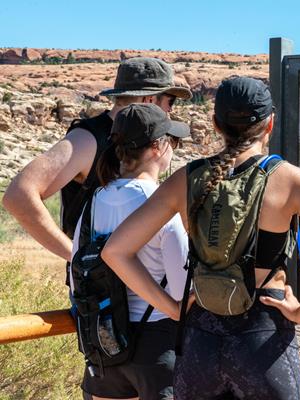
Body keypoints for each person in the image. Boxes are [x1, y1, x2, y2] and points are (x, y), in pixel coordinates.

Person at [101, 77, 300, 399]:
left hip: (200, 341)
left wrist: (172, 308)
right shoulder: (290, 180)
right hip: (263, 339)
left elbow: (115, 251)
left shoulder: (188, 178)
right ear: (270, 124)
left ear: (215, 124)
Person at [2, 57, 192, 264]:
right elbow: (19, 196)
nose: (171, 110)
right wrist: (78, 256)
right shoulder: (88, 139)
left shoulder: (135, 139)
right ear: (149, 100)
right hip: (102, 288)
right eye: (170, 101)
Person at [73, 103, 190, 400]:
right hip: (156, 347)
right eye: (172, 141)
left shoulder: (94, 202)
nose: (174, 148)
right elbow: (180, 289)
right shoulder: (161, 204)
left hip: (104, 346)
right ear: (157, 147)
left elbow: (76, 276)